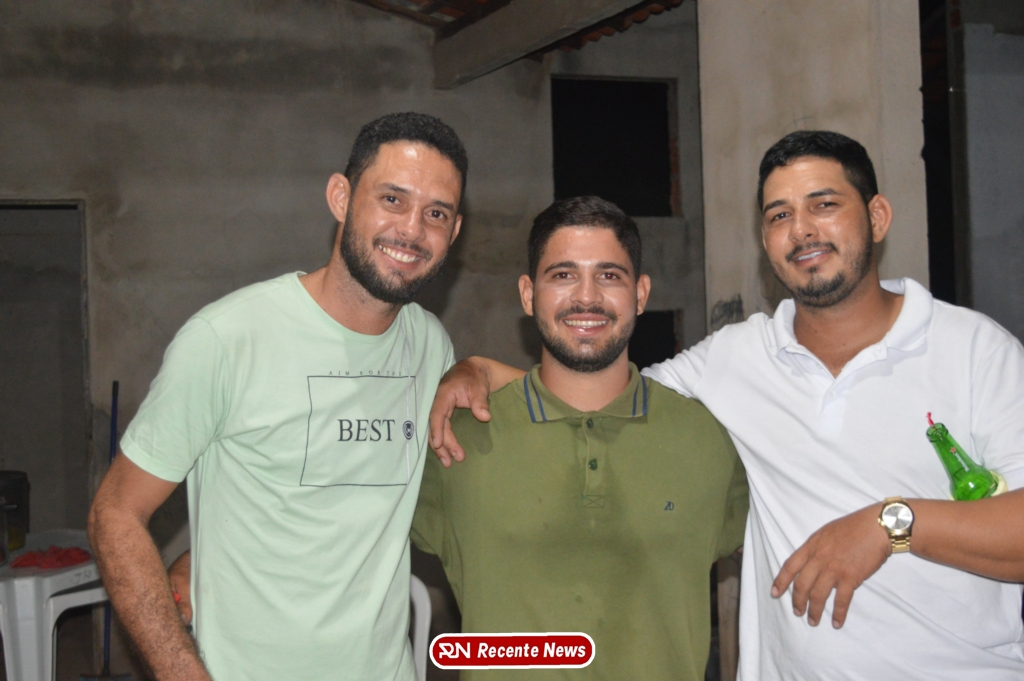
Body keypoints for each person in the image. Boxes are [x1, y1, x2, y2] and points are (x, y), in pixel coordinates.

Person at [429, 131, 1024, 680]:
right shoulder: (736, 359)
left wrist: (891, 524)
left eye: (824, 205)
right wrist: (479, 370)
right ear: (765, 240)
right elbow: (596, 383)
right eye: (780, 215)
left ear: (877, 216)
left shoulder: (975, 351)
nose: (802, 230)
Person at [88, 112, 467, 681]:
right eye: (392, 199)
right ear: (341, 198)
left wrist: (477, 367)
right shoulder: (227, 339)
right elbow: (115, 514)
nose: (412, 230)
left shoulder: (430, 346)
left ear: (454, 232)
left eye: (436, 213)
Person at [411, 196, 749, 681]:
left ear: (641, 294)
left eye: (609, 275)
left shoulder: (708, 439)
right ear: (528, 294)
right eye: (563, 275)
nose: (586, 297)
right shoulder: (455, 437)